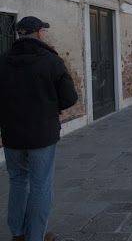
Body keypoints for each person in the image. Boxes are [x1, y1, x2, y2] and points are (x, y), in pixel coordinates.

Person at [0, 16, 78, 241]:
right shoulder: (51, 61)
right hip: (42, 134)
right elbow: (69, 97)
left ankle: (18, 233)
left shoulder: (3, 60)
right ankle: (36, 236)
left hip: (12, 135)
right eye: (43, 30)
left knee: (17, 182)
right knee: (40, 185)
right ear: (38, 33)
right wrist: (53, 105)